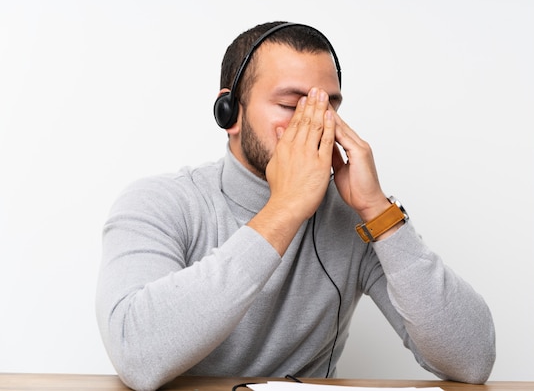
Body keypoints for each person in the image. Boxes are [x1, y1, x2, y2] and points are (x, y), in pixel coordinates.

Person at [96, 21, 496, 391]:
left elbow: (472, 361)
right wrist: (285, 208)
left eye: (327, 108)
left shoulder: (354, 216)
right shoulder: (159, 203)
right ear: (229, 112)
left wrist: (378, 211)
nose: (315, 125)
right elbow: (137, 355)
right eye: (292, 106)